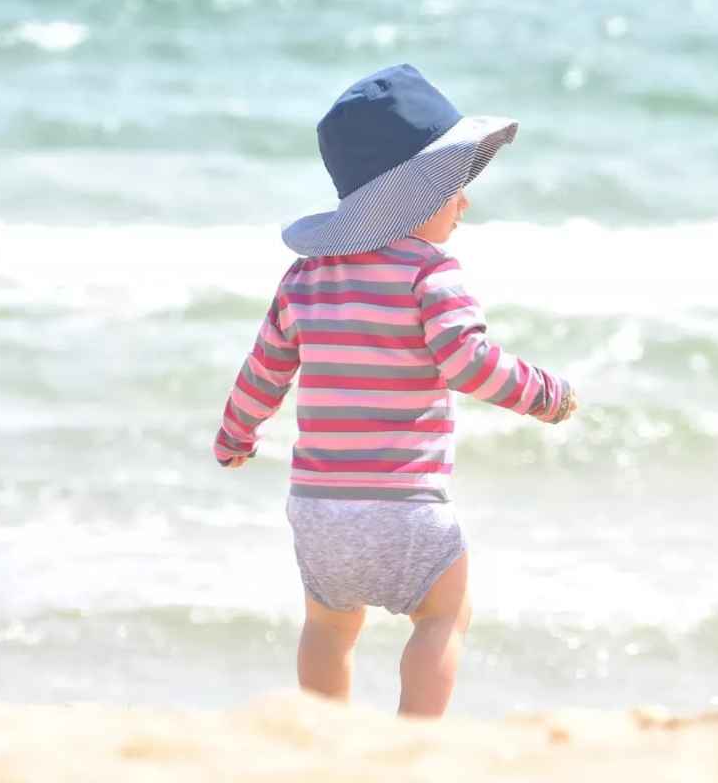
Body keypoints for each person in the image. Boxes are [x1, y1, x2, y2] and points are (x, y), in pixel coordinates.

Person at [212, 63, 577, 717]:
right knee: (444, 615)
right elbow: (469, 362)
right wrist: (546, 394)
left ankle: (325, 739)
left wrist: (235, 435)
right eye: (453, 186)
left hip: (319, 510)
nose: (464, 201)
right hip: (403, 506)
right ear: (410, 197)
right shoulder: (431, 272)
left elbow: (264, 369)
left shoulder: (306, 276)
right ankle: (416, 739)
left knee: (327, 627)